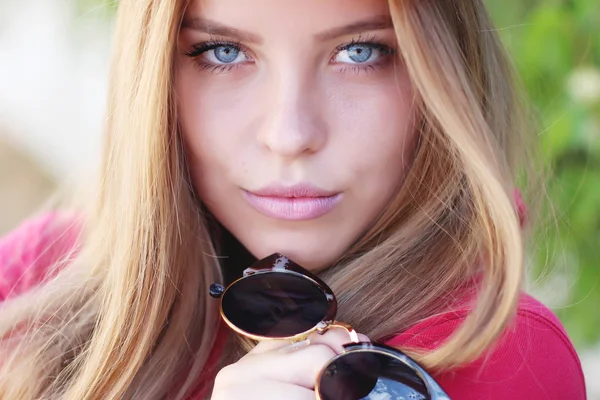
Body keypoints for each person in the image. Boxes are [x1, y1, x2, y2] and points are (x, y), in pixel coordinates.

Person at [0, 0, 587, 399]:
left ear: (445, 73)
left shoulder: (499, 360)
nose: (289, 134)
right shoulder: (39, 281)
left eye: (360, 51)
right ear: (152, 75)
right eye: (224, 52)